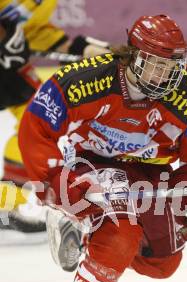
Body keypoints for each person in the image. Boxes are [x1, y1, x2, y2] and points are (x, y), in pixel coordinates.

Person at [19, 14, 187, 282]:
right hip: (89, 162)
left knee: (162, 262)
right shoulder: (86, 80)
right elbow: (36, 124)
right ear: (132, 57)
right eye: (154, 65)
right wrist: (54, 180)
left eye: (171, 67)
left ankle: (81, 235)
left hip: (146, 170)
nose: (164, 76)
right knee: (120, 235)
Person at [0, 0, 110, 243]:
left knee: (35, 124)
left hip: (9, 70)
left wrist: (78, 49)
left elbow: (35, 30)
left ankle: (5, 204)